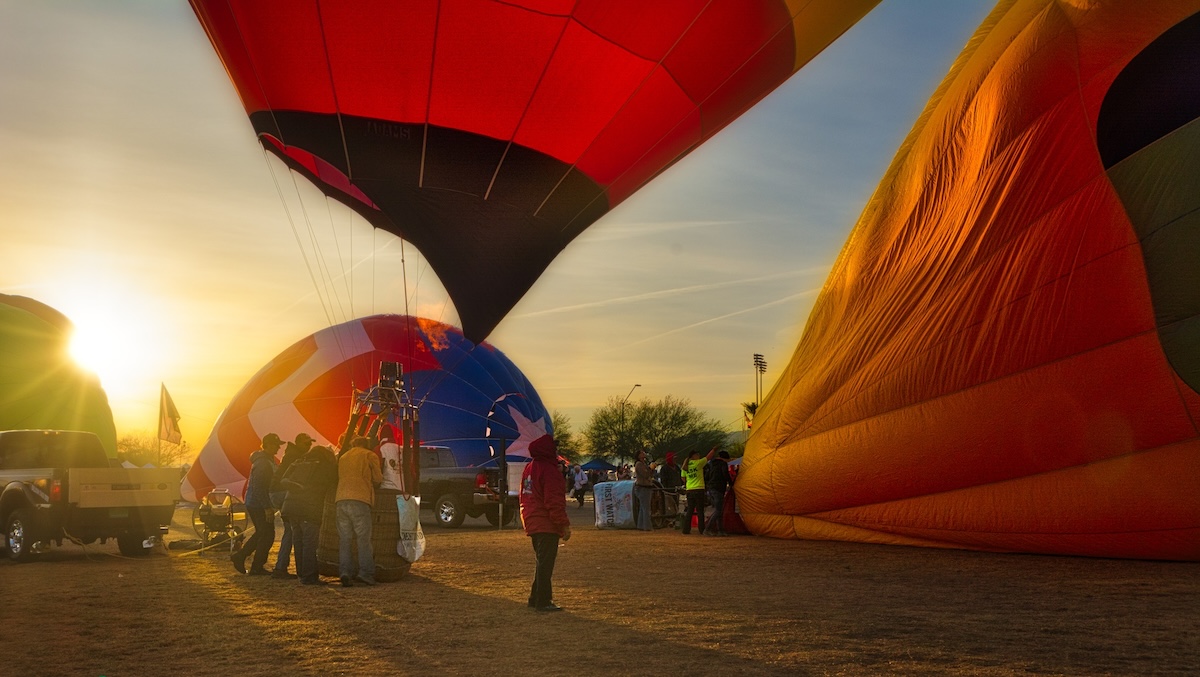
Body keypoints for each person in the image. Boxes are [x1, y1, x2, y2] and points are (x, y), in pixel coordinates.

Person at [519, 434, 571, 612]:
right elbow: (554, 501)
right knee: (546, 563)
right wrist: (563, 525)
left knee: (542, 561)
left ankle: (535, 598)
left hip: (532, 520)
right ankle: (543, 601)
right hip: (545, 522)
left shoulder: (529, 468)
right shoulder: (549, 471)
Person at [279, 444, 338, 585]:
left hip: (290, 506)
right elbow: (334, 480)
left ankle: (302, 573)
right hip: (309, 508)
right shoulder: (323, 466)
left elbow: (283, 479)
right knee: (310, 543)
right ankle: (309, 576)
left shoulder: (299, 462)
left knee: (298, 540)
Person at [336, 436, 383, 587]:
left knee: (345, 539)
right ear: (367, 445)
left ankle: (345, 572)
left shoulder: (343, 457)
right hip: (360, 499)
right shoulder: (369, 455)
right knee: (363, 539)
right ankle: (366, 573)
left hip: (341, 499)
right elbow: (378, 478)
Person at [232, 433, 281, 575]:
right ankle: (253, 564)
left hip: (255, 502)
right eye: (276, 444)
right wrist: (267, 507)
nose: (278, 447)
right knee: (266, 534)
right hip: (258, 504)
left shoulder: (266, 460)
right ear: (268, 445)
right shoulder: (263, 463)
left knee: (263, 533)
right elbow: (260, 487)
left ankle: (245, 560)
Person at [270, 432, 314, 579]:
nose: (309, 447)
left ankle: (281, 566)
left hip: (278, 492)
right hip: (282, 492)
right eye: (307, 444)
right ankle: (280, 567)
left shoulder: (292, 454)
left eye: (310, 444)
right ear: (299, 443)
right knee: (291, 530)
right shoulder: (295, 457)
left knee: (291, 529)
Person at [679, 447, 715, 535]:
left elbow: (683, 478)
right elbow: (708, 457)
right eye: (697, 454)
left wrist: (690, 482)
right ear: (694, 456)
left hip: (690, 489)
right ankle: (702, 529)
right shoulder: (698, 463)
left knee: (690, 510)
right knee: (700, 511)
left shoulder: (685, 466)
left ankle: (686, 529)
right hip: (699, 489)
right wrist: (713, 449)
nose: (699, 456)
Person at [703, 451, 733, 536]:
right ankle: (708, 529)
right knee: (718, 511)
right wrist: (731, 483)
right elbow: (725, 474)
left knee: (718, 509)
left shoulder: (710, 464)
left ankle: (720, 530)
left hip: (711, 488)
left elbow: (707, 476)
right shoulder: (723, 464)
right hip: (719, 488)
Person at [633, 450, 654, 531]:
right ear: (639, 456)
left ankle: (641, 525)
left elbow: (649, 474)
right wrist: (650, 468)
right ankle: (647, 526)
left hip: (645, 487)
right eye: (642, 453)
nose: (644, 454)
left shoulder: (643, 464)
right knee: (646, 508)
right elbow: (645, 475)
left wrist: (651, 469)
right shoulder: (639, 464)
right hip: (642, 488)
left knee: (643, 508)